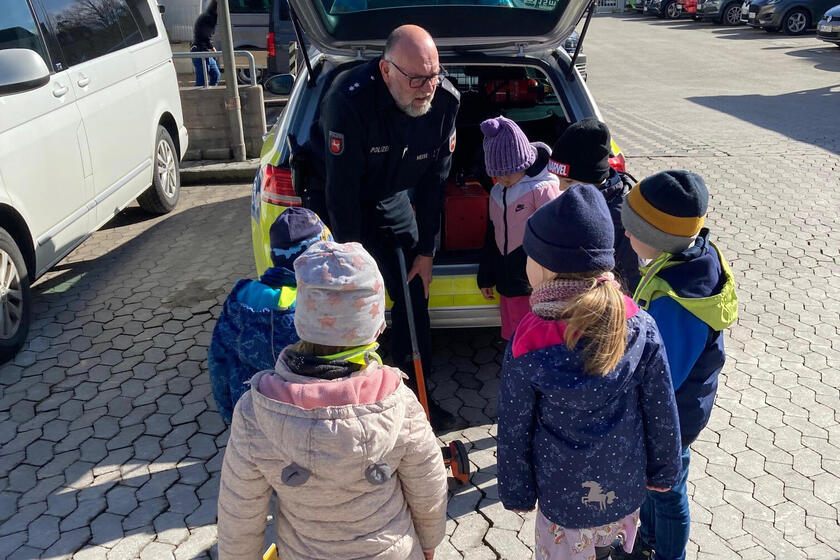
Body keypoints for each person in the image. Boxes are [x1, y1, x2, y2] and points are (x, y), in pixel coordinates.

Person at [216, 241, 448, 560]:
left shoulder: (255, 410)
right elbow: (428, 485)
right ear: (374, 328)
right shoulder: (398, 400)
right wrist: (429, 541)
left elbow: (239, 510)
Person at [496, 184, 683, 560]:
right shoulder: (639, 324)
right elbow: (661, 407)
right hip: (623, 491)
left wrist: (517, 491)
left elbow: (515, 426)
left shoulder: (527, 340)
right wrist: (665, 472)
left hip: (562, 500)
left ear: (545, 266)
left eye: (528, 257)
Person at [305, 25, 461, 430]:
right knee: (347, 298)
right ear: (386, 71)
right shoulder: (348, 101)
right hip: (335, 193)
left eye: (433, 75)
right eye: (415, 79)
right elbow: (341, 195)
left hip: (389, 193)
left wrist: (427, 252)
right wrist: (353, 266)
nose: (427, 87)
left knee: (413, 293)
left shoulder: (444, 102)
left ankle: (417, 399)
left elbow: (433, 185)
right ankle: (346, 397)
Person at [620, 171, 738, 560]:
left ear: (657, 236)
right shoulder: (684, 261)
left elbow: (663, 378)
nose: (625, 236)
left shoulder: (677, 299)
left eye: (631, 230)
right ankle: (650, 541)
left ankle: (668, 554)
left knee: (667, 493)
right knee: (653, 486)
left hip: (671, 419)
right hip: (671, 410)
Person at [207, 208, 331, 423]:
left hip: (252, 418)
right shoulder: (322, 305)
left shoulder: (240, 297)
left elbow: (218, 362)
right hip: (310, 424)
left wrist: (231, 416)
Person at [476, 116, 560, 340]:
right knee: (513, 335)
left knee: (534, 336)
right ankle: (516, 365)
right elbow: (492, 236)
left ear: (522, 163)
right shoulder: (497, 192)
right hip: (507, 281)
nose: (502, 179)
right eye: (496, 174)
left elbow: (556, 238)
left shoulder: (543, 190)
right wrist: (486, 276)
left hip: (533, 286)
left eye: (507, 173)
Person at [548, 118, 641, 292]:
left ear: (593, 178)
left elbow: (634, 276)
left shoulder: (621, 217)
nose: (561, 188)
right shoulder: (577, 199)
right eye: (558, 179)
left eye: (568, 181)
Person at [191, 0, 220, 87]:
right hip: (200, 52)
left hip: (205, 51)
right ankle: (197, 99)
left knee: (215, 75)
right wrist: (212, 48)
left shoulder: (209, 16)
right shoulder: (209, 18)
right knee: (201, 81)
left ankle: (211, 93)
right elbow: (206, 35)